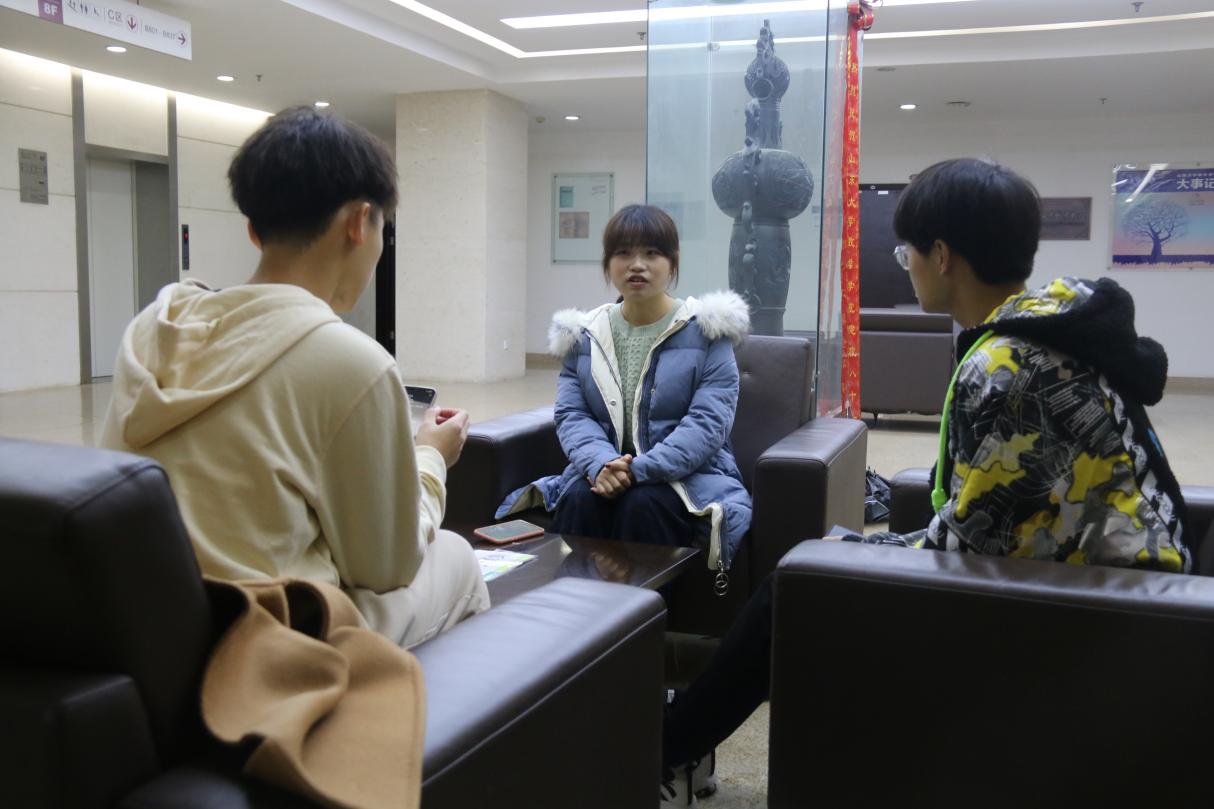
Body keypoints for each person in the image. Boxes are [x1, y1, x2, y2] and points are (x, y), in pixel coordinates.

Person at [659, 157, 1191, 806]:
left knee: (793, 587)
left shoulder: (1008, 365)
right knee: (826, 559)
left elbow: (966, 550)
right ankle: (684, 738)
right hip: (1107, 581)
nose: (905, 263)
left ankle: (668, 745)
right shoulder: (1050, 328)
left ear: (941, 255)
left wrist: (852, 553)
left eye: (905, 250)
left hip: (1084, 608)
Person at [99, 107, 489, 648]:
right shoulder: (352, 362)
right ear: (359, 222)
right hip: (269, 640)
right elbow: (387, 566)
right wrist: (430, 459)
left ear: (254, 230)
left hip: (143, 627)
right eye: (383, 228)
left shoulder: (154, 328)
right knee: (457, 557)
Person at [497, 204, 753, 579]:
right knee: (579, 501)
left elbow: (708, 424)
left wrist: (637, 471)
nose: (637, 265)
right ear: (607, 263)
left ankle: (647, 613)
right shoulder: (585, 335)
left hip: (687, 477)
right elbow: (572, 415)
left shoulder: (707, 333)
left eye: (651, 253)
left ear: (673, 262)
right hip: (601, 472)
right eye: (623, 253)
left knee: (643, 504)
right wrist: (601, 464)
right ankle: (574, 610)